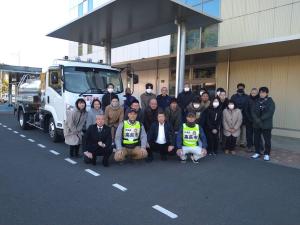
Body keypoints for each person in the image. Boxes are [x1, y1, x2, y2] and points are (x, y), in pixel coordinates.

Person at [251, 87, 275, 161]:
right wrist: (256, 119)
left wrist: (261, 119)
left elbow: (270, 112)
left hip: (266, 124)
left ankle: (266, 154)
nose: (262, 94)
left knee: (267, 140)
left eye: (263, 92)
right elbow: (252, 111)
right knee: (256, 139)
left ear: (267, 93)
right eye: (260, 92)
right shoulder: (256, 101)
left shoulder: (270, 101)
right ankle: (257, 152)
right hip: (257, 124)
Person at [230, 83, 249, 148]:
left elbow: (248, 105)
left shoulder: (247, 96)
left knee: (243, 129)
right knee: (236, 128)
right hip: (235, 115)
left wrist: (243, 110)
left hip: (244, 115)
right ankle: (235, 142)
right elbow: (231, 104)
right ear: (237, 88)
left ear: (244, 88)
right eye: (239, 88)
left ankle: (242, 142)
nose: (240, 89)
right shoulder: (233, 96)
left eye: (242, 88)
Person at [244, 88, 259, 152]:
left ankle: (258, 147)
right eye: (252, 93)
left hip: (257, 121)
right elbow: (246, 110)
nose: (253, 94)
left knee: (257, 135)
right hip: (249, 120)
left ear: (257, 93)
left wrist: (257, 119)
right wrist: (250, 118)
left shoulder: (259, 99)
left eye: (255, 93)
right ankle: (249, 146)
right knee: (249, 134)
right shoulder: (248, 99)